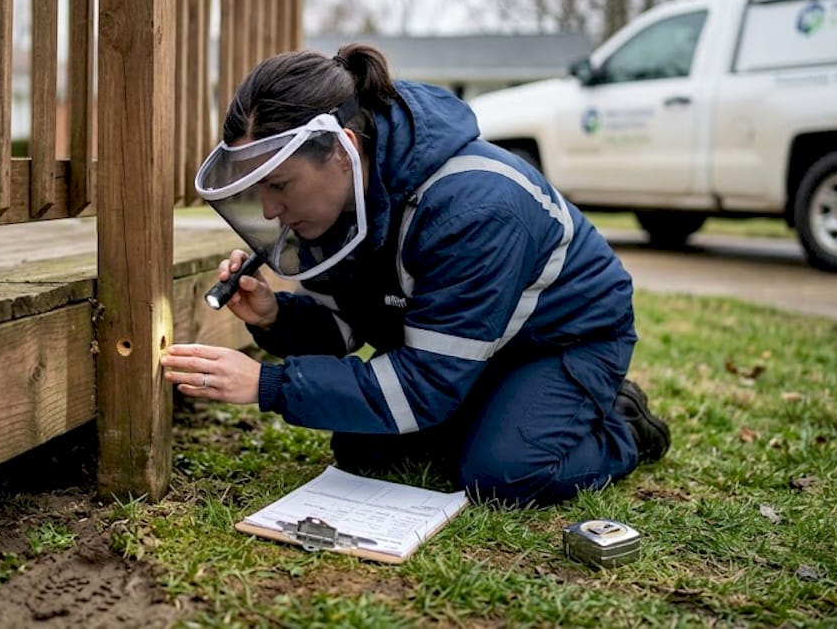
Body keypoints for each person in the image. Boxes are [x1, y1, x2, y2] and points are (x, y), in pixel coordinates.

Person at [160, 44, 670, 508]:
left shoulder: (474, 207)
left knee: (504, 475)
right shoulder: (342, 196)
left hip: (561, 340)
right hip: (465, 345)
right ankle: (495, 409)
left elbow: (423, 386)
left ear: (343, 149)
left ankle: (623, 423)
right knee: (362, 447)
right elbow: (348, 325)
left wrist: (268, 384)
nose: (270, 210)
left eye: (279, 184)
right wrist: (274, 317)